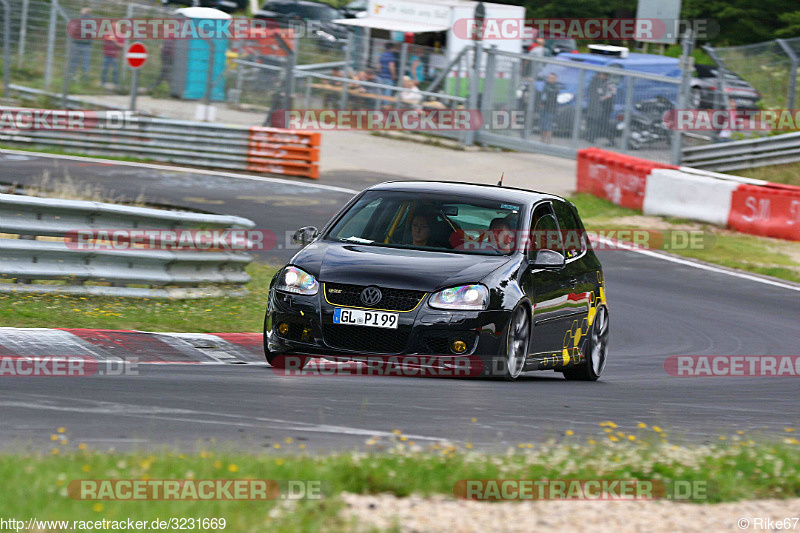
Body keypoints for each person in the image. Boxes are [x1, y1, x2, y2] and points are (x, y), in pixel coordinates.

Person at [586, 72, 616, 145]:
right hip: (599, 106)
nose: (601, 76)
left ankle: (611, 139)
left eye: (602, 75)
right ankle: (591, 137)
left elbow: (612, 94)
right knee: (598, 122)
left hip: (606, 107)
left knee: (603, 124)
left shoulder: (610, 84)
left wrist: (602, 98)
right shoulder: (598, 82)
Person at [68, 8, 93, 82]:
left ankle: (72, 77)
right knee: (85, 62)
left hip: (77, 43)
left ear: (84, 12)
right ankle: (85, 78)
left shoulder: (78, 21)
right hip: (87, 44)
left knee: (74, 61)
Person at [538, 72, 559, 144]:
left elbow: (551, 98)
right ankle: (542, 140)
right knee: (543, 125)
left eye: (552, 78)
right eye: (549, 78)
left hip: (550, 109)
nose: (550, 79)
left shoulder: (555, 88)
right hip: (543, 109)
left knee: (548, 125)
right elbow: (543, 96)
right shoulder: (545, 86)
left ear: (555, 79)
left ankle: (548, 141)